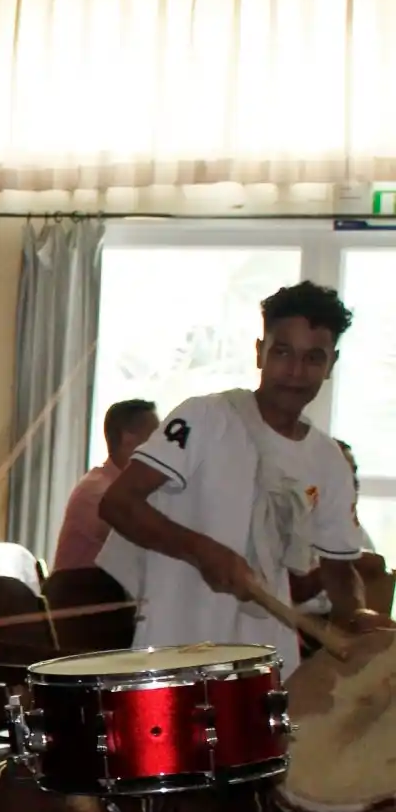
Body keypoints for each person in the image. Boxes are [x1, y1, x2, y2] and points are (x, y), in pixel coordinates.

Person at [99, 281, 392, 674]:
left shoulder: (329, 460)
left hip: (267, 665)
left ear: (331, 365)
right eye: (282, 352)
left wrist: (359, 616)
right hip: (175, 654)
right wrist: (202, 551)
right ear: (260, 353)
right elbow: (118, 504)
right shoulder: (203, 418)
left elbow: (339, 568)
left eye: (312, 358)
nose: (294, 372)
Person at [52, 398, 159, 571]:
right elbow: (144, 543)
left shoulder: (126, 487)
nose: (163, 447)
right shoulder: (97, 491)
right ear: (128, 441)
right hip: (85, 595)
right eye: (155, 437)